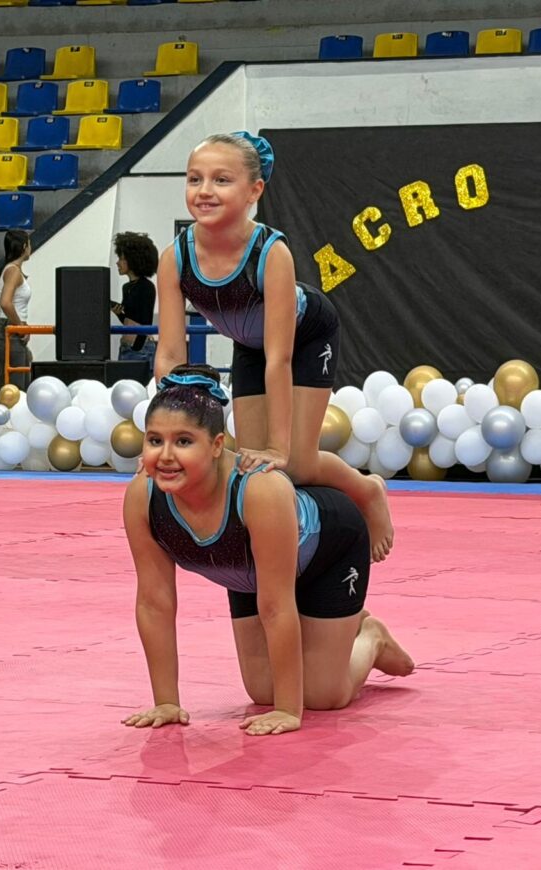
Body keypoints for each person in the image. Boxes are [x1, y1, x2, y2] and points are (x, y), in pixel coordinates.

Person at [123, 365, 414, 736]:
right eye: (154, 440)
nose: (165, 455)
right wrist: (166, 701)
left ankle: (371, 636)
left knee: (323, 695)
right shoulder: (141, 497)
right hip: (250, 572)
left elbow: (276, 605)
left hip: (329, 550)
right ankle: (339, 631)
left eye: (183, 441)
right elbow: (154, 601)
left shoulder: (259, 491)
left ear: (216, 446)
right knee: (262, 690)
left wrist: (288, 710)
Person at [154, 131, 395, 563]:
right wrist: (162, 437)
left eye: (221, 180)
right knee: (250, 464)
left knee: (295, 465)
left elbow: (280, 357)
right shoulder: (175, 257)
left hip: (304, 337)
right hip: (250, 344)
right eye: (194, 179)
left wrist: (280, 448)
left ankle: (367, 489)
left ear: (254, 190)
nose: (204, 191)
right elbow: (170, 356)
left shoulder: (270, 251)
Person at [0, 229, 32, 389]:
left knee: (19, 385)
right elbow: (5, 302)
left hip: (10, 332)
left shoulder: (10, 269)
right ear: (25, 246)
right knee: (15, 392)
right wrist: (20, 327)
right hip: (10, 333)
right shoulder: (13, 271)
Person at [111, 231, 159, 374]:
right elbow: (129, 318)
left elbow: (145, 320)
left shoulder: (146, 287)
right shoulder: (126, 287)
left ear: (132, 260)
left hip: (139, 347)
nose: (118, 262)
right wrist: (119, 312)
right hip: (127, 346)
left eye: (121, 258)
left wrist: (137, 346)